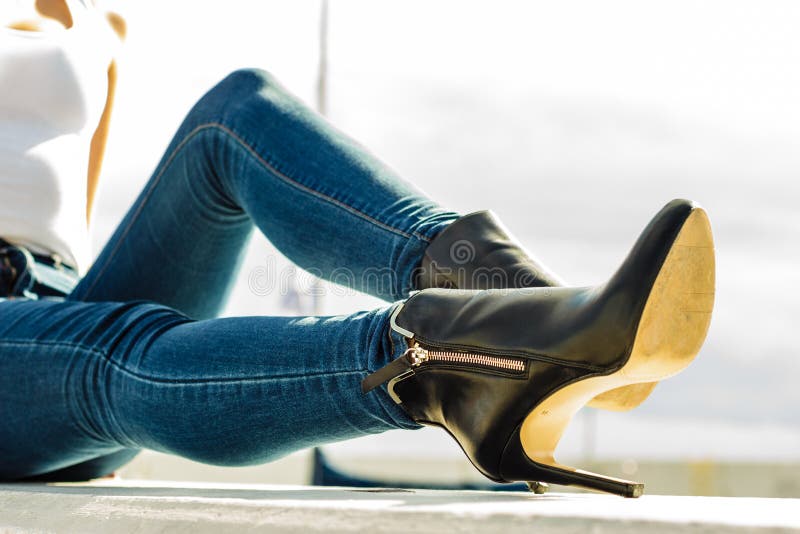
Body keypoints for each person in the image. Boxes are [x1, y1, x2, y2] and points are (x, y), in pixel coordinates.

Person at [0, 0, 715, 497]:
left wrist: (45, 389)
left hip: (51, 320)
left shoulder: (92, 18)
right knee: (112, 350)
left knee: (235, 115)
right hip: (74, 357)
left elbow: (66, 211)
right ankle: (461, 367)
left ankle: (518, 301)